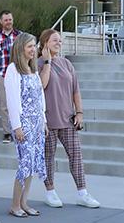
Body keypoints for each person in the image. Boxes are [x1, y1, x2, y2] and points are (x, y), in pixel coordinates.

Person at [36, 29, 100, 209]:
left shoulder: (67, 64)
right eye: (55, 40)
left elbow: (75, 90)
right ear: (45, 42)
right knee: (48, 157)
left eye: (60, 40)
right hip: (47, 121)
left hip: (67, 119)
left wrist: (79, 112)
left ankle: (82, 193)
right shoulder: (38, 64)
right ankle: (50, 191)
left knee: (76, 156)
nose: (59, 43)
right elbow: (42, 85)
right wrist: (47, 62)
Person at [3, 33, 47, 218]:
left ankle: (24, 202)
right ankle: (15, 205)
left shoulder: (33, 69)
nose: (33, 49)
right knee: (25, 164)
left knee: (33, 164)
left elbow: (40, 97)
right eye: (29, 46)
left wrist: (43, 121)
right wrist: (17, 126)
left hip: (37, 122)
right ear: (20, 47)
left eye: (34, 46)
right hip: (24, 123)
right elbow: (12, 101)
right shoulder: (13, 70)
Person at [0, 10, 21, 143]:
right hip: (2, 74)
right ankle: (7, 133)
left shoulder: (20, 35)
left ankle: (18, 130)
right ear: (1, 21)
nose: (9, 22)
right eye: (6, 20)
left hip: (18, 74)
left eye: (10, 19)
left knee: (19, 102)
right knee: (4, 104)